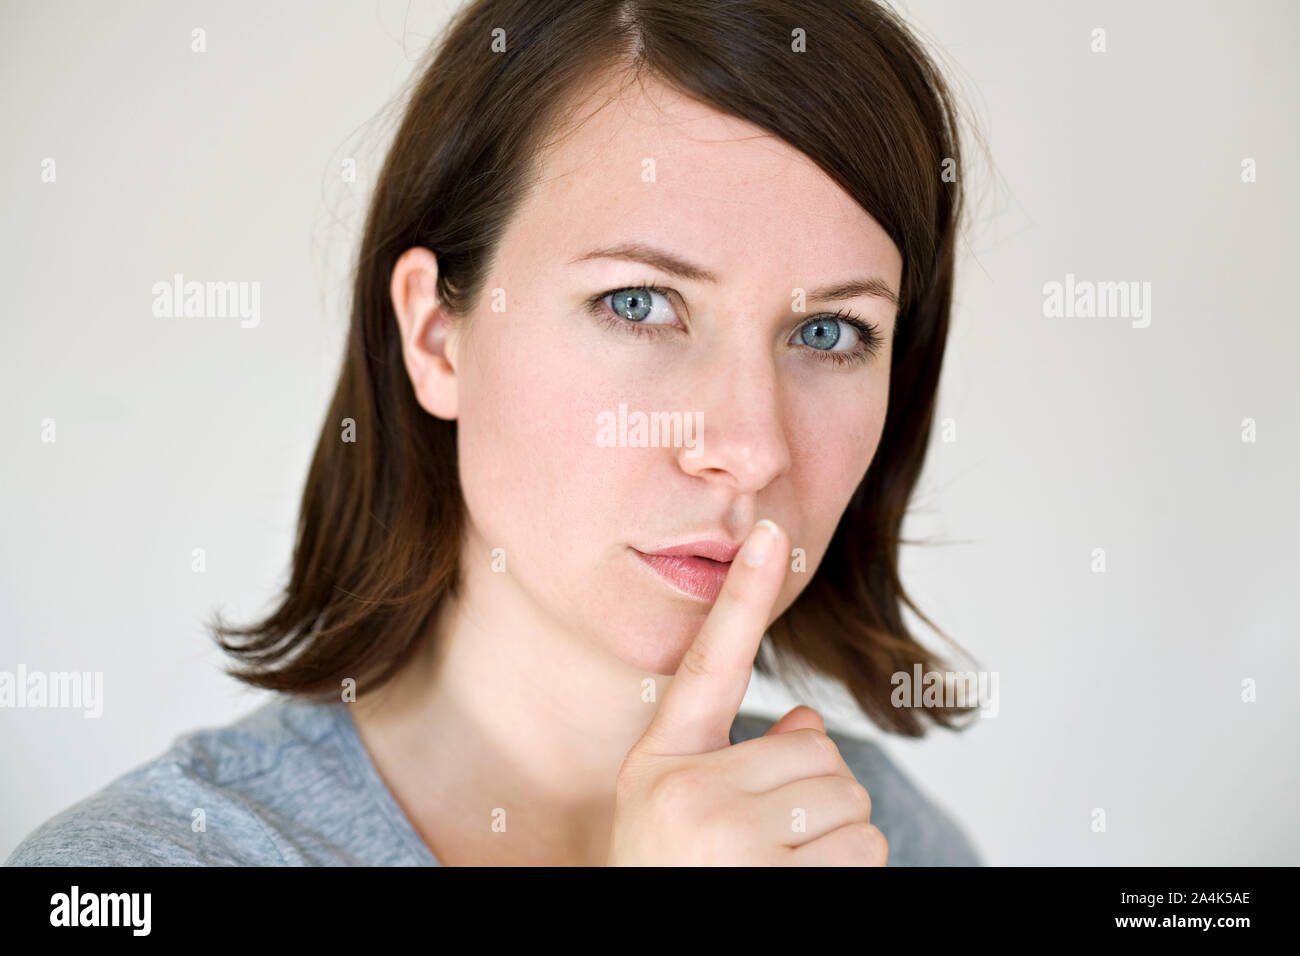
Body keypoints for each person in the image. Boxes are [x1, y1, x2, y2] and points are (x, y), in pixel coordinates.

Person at [7, 0, 983, 867]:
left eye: (830, 332)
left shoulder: (878, 835)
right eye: (638, 303)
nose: (751, 447)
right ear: (436, 336)